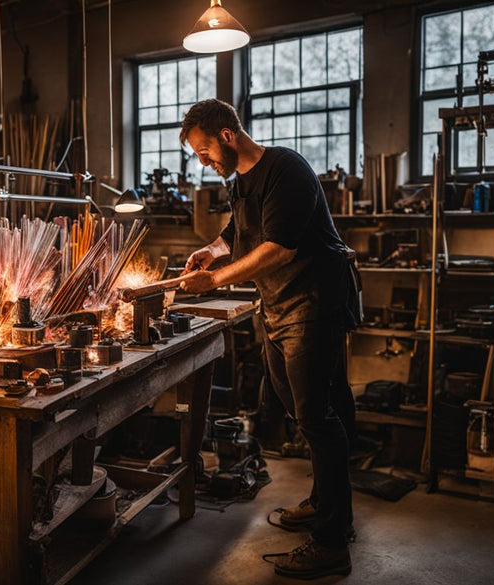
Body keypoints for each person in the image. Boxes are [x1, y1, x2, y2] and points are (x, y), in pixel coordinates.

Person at [179, 99, 360, 579]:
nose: (203, 163)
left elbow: (279, 248)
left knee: (318, 416)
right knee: (305, 411)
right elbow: (240, 232)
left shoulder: (286, 168)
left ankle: (332, 542)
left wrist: (214, 282)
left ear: (226, 136)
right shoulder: (241, 182)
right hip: (278, 307)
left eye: (203, 152)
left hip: (313, 304)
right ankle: (326, 506)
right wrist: (212, 251)